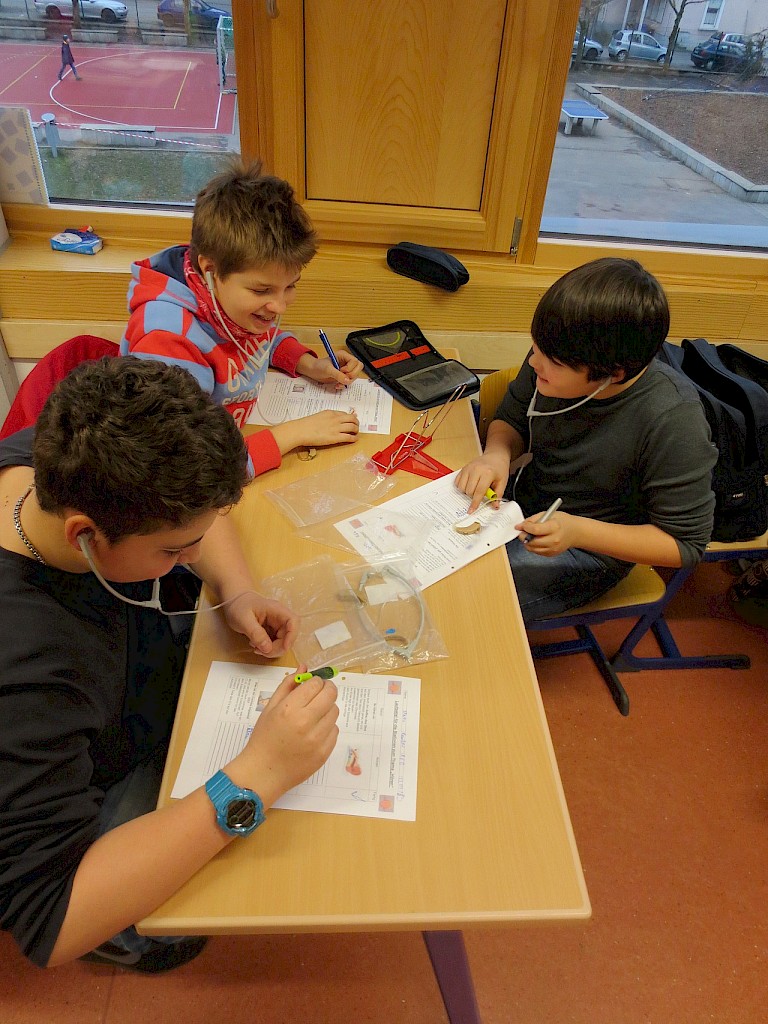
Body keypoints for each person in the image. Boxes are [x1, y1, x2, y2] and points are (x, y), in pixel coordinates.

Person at [0, 357, 339, 971]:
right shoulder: (30, 672)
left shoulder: (54, 457)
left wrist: (236, 590)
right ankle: (127, 941)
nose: (194, 554)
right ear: (84, 534)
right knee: (179, 919)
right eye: (175, 550)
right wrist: (258, 775)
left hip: (134, 691)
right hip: (91, 784)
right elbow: (51, 916)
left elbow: (196, 521)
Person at [456, 257, 717, 622]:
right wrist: (497, 454)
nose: (534, 363)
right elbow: (511, 419)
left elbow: (685, 545)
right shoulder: (557, 349)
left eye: (553, 362)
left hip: (588, 548)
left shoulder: (673, 420)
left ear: (613, 374)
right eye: (536, 347)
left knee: (462, 599)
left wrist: (577, 531)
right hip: (521, 504)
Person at [121, 159, 363, 476]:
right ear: (210, 271)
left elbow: (257, 337)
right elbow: (182, 470)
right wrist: (292, 434)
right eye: (262, 290)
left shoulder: (228, 298)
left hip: (233, 438)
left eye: (291, 286)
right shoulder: (167, 341)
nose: (280, 306)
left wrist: (309, 364)